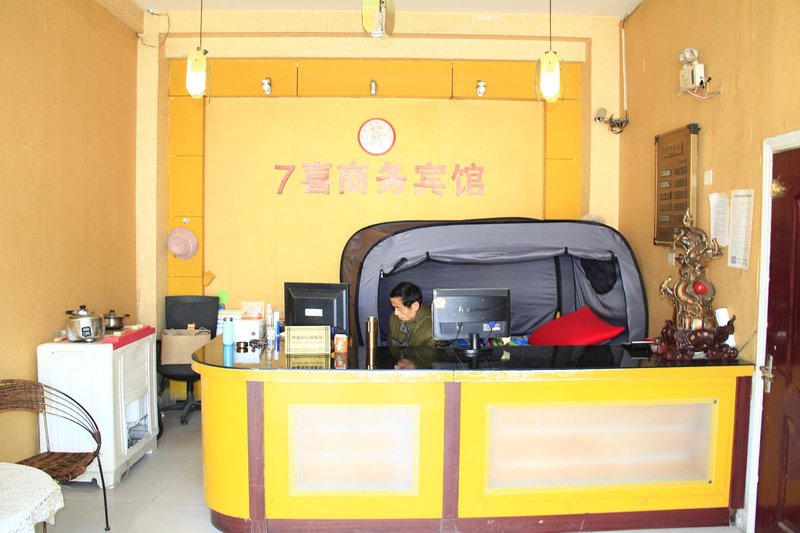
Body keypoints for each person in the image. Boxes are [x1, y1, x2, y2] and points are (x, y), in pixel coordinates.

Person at [387, 281, 435, 349]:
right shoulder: (394, 318)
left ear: (415, 306)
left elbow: (430, 354)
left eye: (398, 308)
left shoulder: (432, 330)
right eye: (394, 307)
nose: (395, 313)